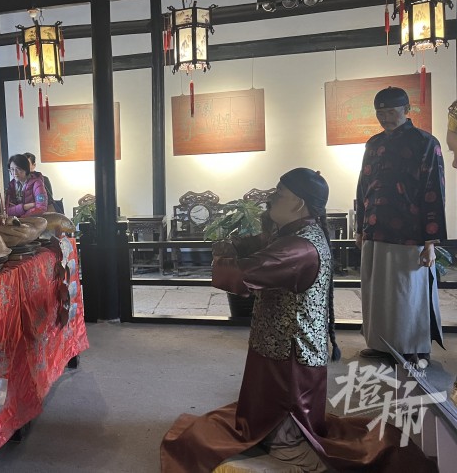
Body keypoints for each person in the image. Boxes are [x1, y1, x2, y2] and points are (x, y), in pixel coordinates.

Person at [161, 168, 436, 472]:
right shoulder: (293, 233)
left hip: (291, 350)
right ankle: (270, 433)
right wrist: (234, 245)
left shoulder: (300, 247)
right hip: (278, 341)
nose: (270, 199)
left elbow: (243, 273)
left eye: (279, 194)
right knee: (260, 402)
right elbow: (261, 241)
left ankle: (288, 444)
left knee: (282, 414)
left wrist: (215, 259)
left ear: (298, 203)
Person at [356, 86, 446, 366]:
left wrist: (430, 242)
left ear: (406, 110)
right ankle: (382, 345)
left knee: (407, 295)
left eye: (391, 112)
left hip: (409, 234)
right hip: (375, 228)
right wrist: (360, 227)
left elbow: (434, 191)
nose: (384, 118)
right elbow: (363, 186)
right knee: (377, 294)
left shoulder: (425, 142)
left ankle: (412, 348)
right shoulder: (373, 144)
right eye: (380, 113)